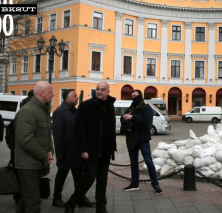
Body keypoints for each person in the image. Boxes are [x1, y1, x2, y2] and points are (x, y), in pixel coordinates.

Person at [65, 81, 116, 213]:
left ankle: (101, 208)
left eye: (103, 89)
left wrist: (112, 147)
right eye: (98, 89)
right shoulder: (86, 106)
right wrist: (82, 149)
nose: (99, 91)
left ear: (108, 92)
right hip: (91, 151)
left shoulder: (110, 105)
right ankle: (71, 203)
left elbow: (110, 128)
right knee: (88, 179)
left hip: (105, 151)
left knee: (102, 181)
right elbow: (78, 129)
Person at [15, 81, 55, 213]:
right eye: (51, 92)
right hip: (28, 165)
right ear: (42, 93)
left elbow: (46, 136)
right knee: (33, 201)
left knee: (26, 199)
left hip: (36, 163)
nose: (53, 94)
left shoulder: (42, 110)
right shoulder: (28, 111)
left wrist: (50, 151)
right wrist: (44, 155)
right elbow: (26, 139)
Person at [52, 89, 95, 208]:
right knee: (61, 176)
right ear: (67, 99)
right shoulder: (60, 112)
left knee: (79, 177)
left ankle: (81, 198)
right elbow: (57, 134)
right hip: (66, 152)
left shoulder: (74, 111)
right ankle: (56, 198)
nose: (77, 98)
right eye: (74, 96)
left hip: (76, 151)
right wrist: (59, 152)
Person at [122, 90, 163, 194]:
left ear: (140, 96)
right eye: (132, 95)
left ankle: (155, 185)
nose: (133, 97)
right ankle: (134, 184)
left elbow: (147, 122)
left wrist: (132, 117)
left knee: (149, 162)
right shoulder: (131, 107)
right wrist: (125, 117)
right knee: (133, 162)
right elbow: (123, 119)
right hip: (131, 139)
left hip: (143, 139)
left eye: (135, 95)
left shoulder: (146, 108)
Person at [5, 89, 34, 205]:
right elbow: (12, 137)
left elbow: (9, 136)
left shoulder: (18, 117)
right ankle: (21, 199)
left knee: (21, 178)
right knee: (23, 179)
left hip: (17, 154)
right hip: (21, 155)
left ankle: (20, 198)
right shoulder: (22, 117)